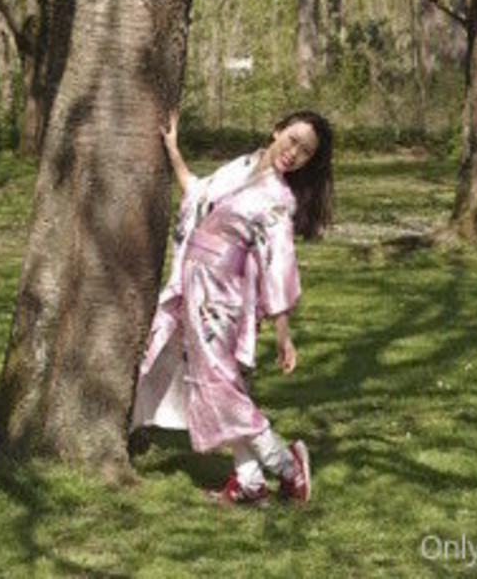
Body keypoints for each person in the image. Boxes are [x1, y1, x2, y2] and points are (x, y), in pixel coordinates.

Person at [131, 108, 334, 505]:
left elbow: (279, 267)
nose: (294, 153)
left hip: (222, 297)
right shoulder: (240, 166)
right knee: (217, 381)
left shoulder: (278, 201)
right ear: (276, 130)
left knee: (218, 384)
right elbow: (197, 193)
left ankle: (287, 465)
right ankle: (249, 480)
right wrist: (173, 149)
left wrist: (283, 334)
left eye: (306, 152)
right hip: (195, 285)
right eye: (292, 140)